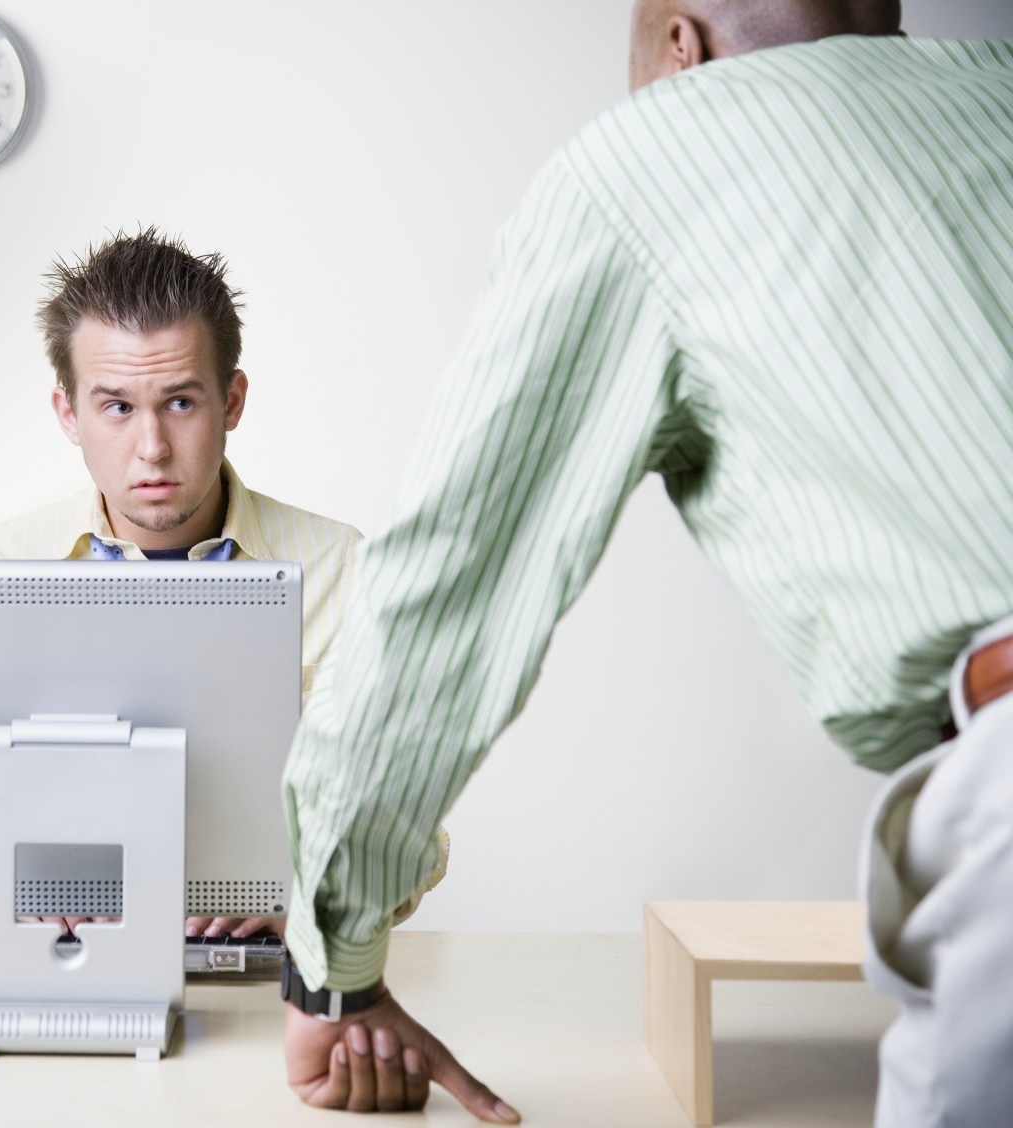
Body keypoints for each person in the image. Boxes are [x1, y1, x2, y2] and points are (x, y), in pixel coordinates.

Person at [277, 3, 1013, 1125]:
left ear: (682, 46)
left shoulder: (651, 161)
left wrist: (334, 967)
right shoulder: (996, 83)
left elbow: (449, 587)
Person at [0, 228, 448, 938]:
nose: (151, 447)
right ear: (70, 413)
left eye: (181, 403)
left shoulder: (344, 572)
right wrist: (1, 891)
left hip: (263, 979)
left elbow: (417, 836)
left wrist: (295, 888)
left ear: (233, 401)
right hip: (49, 959)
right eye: (117, 407)